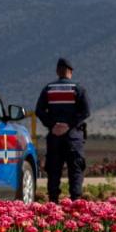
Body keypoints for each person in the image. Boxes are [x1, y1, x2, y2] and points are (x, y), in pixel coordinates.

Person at [35, 57, 91, 201]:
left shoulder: (48, 89)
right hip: (73, 137)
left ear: (57, 71)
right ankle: (75, 202)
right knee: (76, 171)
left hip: (54, 137)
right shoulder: (78, 89)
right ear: (70, 71)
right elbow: (85, 112)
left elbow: (39, 111)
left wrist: (53, 125)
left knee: (54, 171)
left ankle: (53, 203)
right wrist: (69, 125)